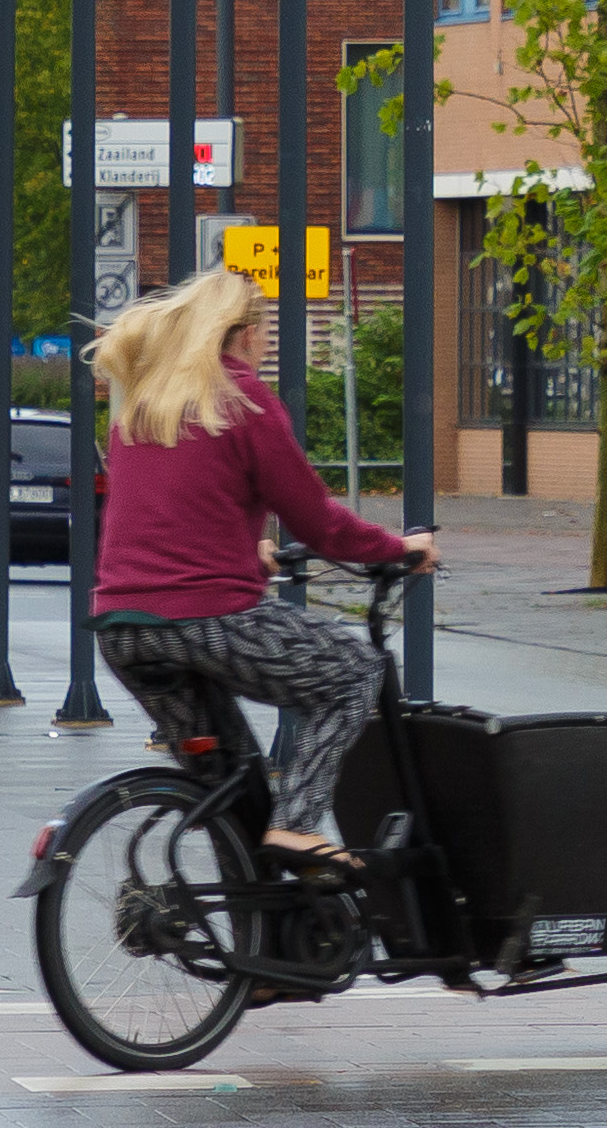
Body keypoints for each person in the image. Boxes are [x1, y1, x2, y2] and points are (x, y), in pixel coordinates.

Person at [85, 268, 427, 864]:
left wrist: (249, 550)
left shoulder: (143, 407)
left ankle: (261, 935)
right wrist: (400, 548)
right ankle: (298, 826)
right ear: (242, 334)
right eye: (264, 330)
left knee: (235, 793)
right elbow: (317, 522)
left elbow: (170, 512)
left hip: (123, 629)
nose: (266, 343)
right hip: (208, 621)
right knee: (353, 674)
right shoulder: (243, 399)